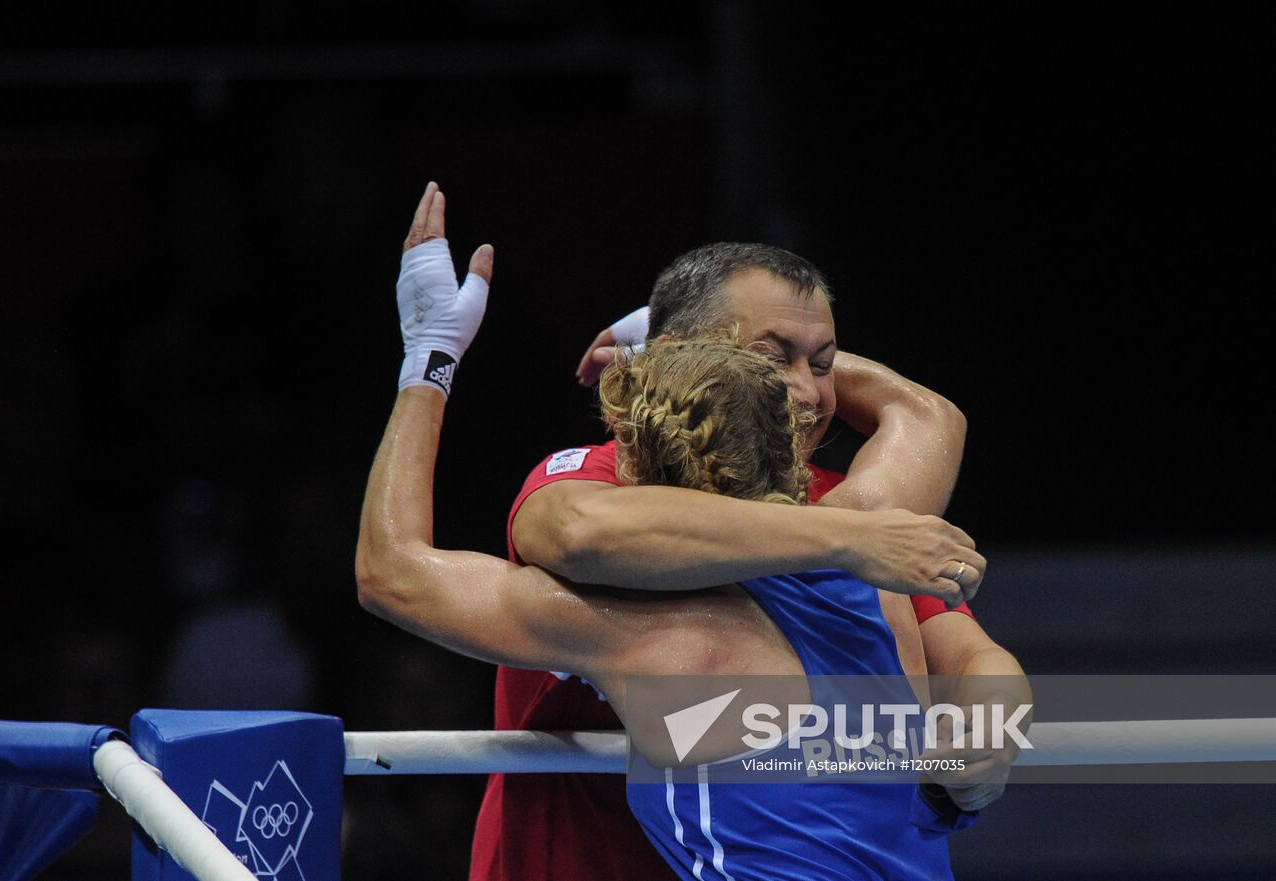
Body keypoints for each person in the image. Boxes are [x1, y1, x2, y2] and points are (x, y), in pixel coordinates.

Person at [357, 184, 1023, 879]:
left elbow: (392, 571)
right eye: (775, 359)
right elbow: (926, 418)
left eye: (821, 363)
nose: (807, 390)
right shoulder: (865, 531)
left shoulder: (640, 628)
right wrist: (843, 542)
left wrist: (430, 363)